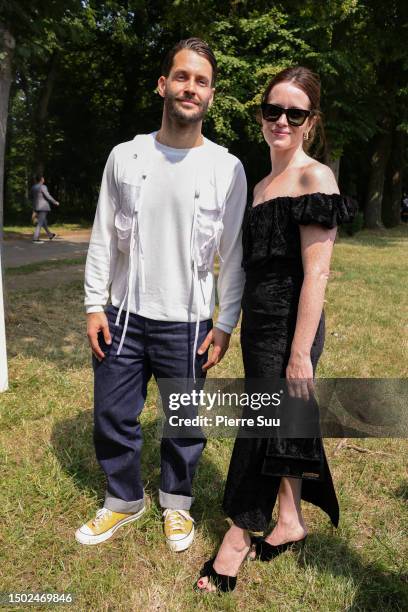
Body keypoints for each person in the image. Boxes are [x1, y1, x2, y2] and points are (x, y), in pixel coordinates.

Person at [76, 38, 247, 550]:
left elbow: (234, 255)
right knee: (112, 414)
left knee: (184, 422)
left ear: (211, 95)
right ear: (163, 85)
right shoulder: (125, 156)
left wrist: (224, 323)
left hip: (189, 321)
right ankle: (123, 499)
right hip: (124, 314)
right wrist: (92, 304)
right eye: (181, 76)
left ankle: (177, 502)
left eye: (201, 80)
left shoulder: (227, 168)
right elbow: (103, 234)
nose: (189, 87)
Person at [196, 66, 356, 592]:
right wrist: (229, 322)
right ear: (262, 115)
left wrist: (300, 354)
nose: (281, 120)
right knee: (285, 424)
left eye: (295, 112)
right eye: (273, 110)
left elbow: (318, 274)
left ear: (311, 122)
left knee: (261, 425)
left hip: (294, 329)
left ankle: (239, 535)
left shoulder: (316, 178)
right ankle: (290, 520)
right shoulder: (260, 183)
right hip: (258, 328)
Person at [30, 175, 59, 243]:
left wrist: (34, 207)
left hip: (36, 206)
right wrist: (55, 202)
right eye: (43, 178)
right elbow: (47, 196)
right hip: (43, 207)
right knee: (40, 223)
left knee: (44, 222)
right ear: (41, 179)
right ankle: (35, 239)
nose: (44, 179)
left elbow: (31, 197)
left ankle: (50, 235)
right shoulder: (43, 186)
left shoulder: (33, 187)